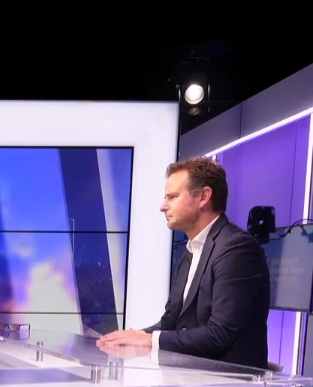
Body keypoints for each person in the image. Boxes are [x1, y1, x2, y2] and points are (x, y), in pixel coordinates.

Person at [97, 157, 270, 369]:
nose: (163, 206)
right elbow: (171, 322)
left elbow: (220, 334)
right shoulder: (189, 251)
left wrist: (149, 340)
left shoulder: (237, 248)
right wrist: (135, 335)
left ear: (204, 197)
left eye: (172, 197)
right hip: (191, 380)